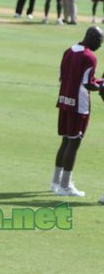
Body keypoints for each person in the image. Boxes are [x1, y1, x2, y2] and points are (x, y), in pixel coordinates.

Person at [50, 27, 104, 197]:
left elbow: (64, 76)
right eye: (100, 41)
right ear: (92, 38)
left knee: (65, 141)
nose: (100, 45)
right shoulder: (89, 57)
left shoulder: (69, 50)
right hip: (79, 106)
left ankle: (55, 182)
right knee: (74, 143)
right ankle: (66, 186)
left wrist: (98, 81)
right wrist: (101, 86)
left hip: (64, 101)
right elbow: (88, 84)